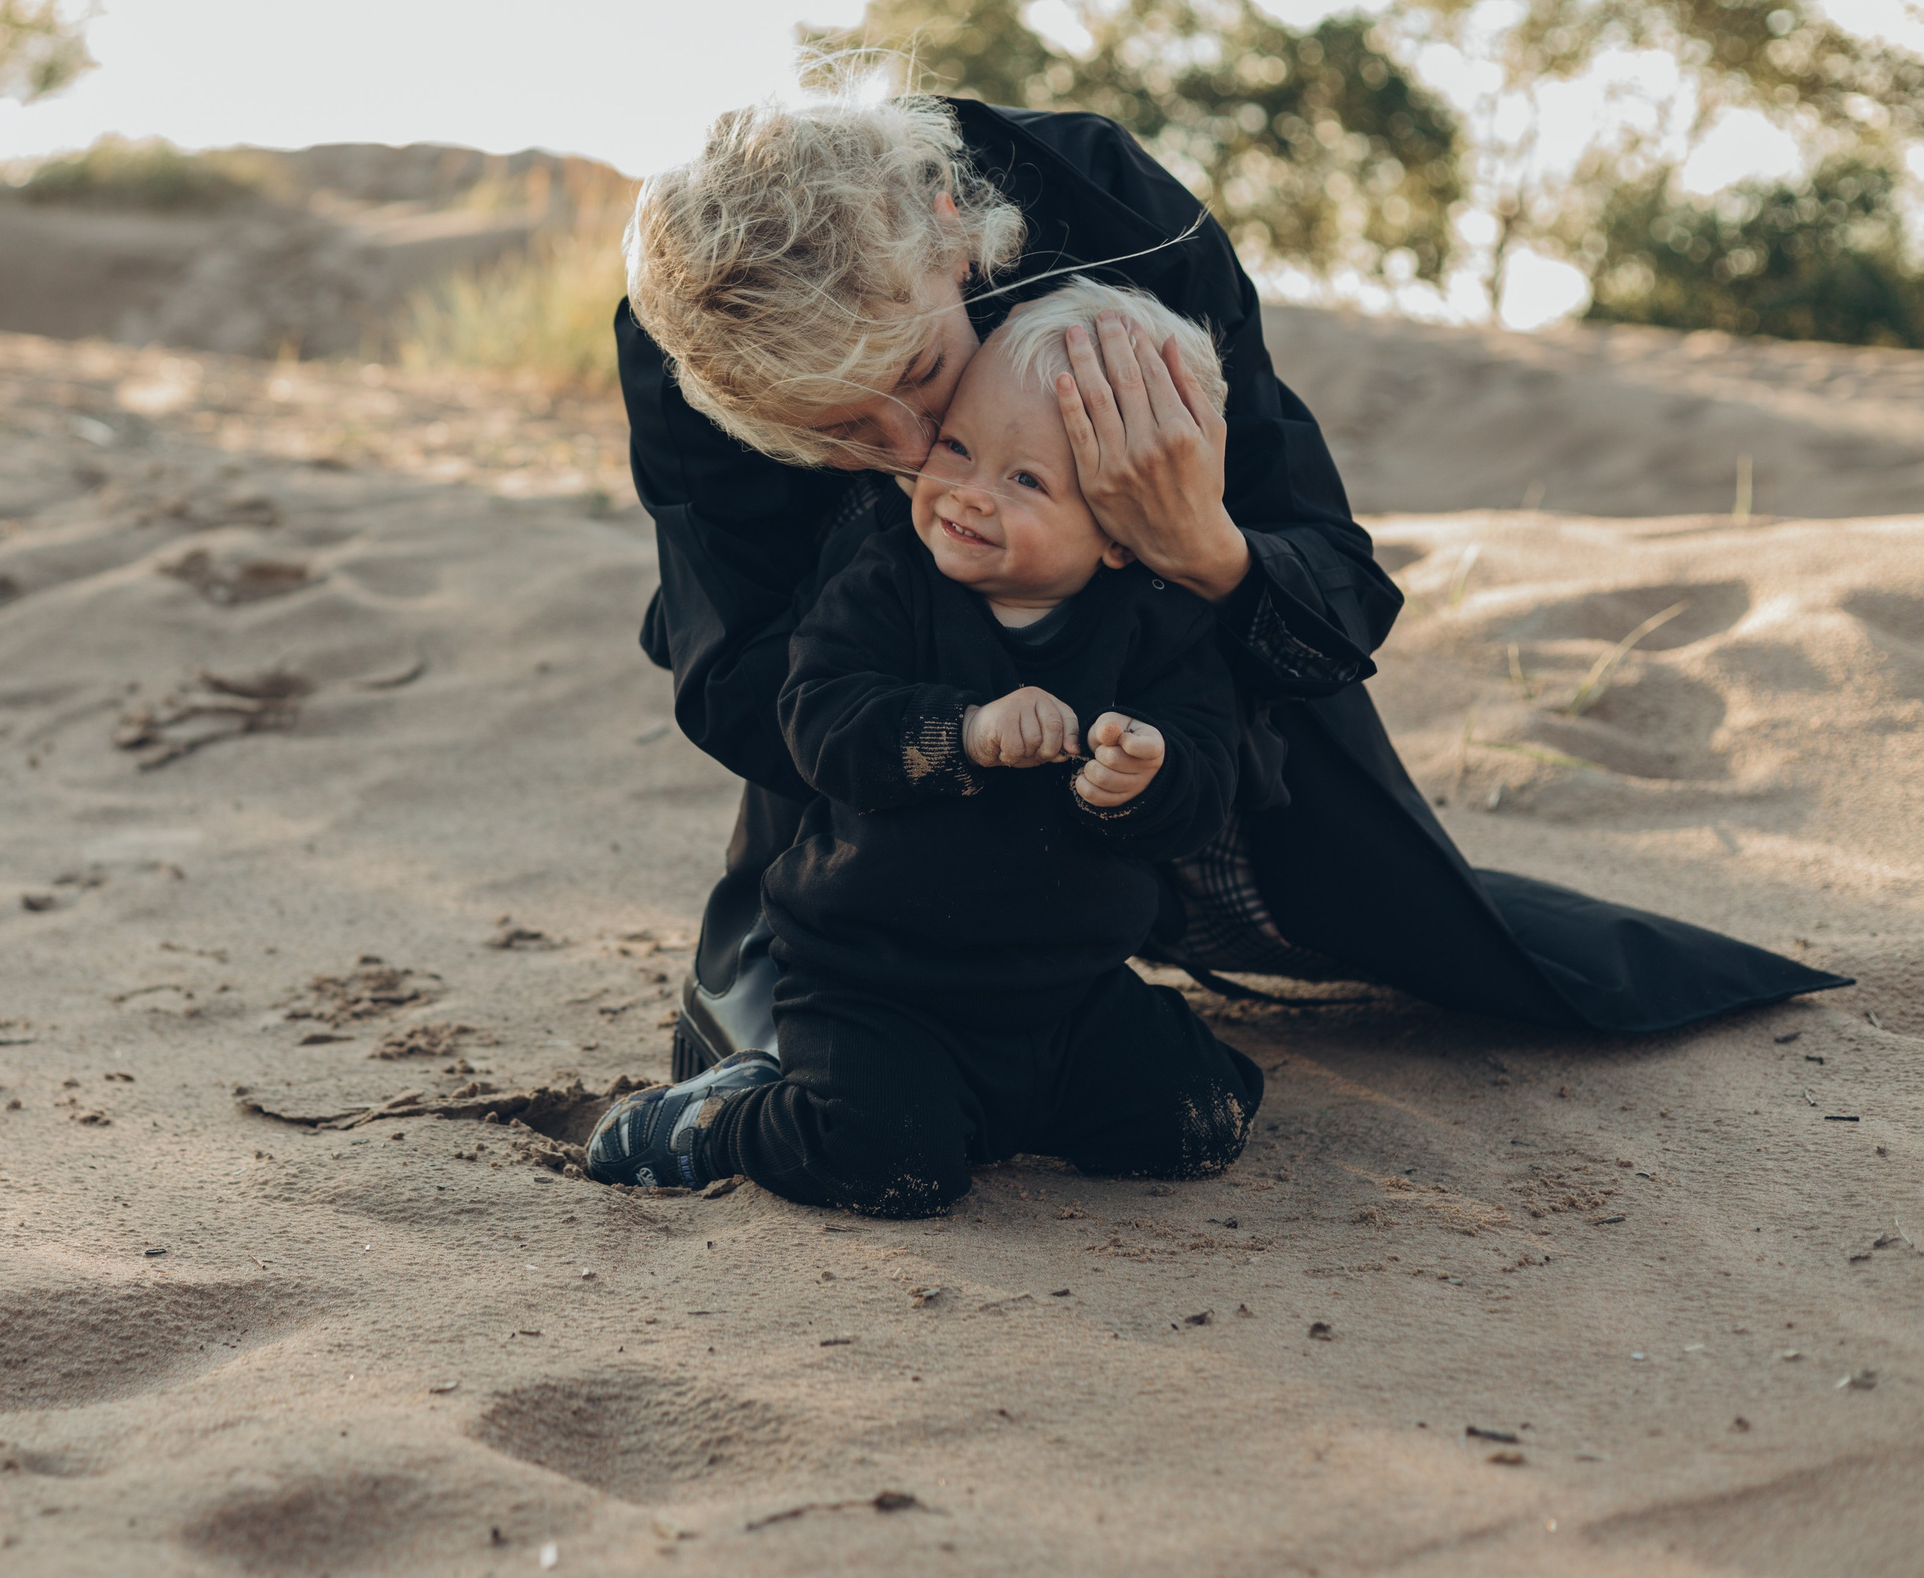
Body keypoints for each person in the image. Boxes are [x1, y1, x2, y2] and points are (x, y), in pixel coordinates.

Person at [618, 92, 1846, 1079]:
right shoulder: (696, 336)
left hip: (1168, 689)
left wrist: (1198, 544)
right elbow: (731, 670)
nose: (902, 449)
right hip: (881, 749)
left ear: (951, 226)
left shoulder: (1112, 212)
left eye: (926, 370)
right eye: (836, 431)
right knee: (787, 1065)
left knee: (1414, 930)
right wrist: (956, 742)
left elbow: (1335, 575)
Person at [588, 282, 1261, 1211]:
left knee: (1205, 1117)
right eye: (958, 447)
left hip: (1068, 990)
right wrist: (964, 734)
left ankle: (1004, 1112)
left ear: (1122, 530)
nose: (967, 494)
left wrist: (1150, 774)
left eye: (1026, 480)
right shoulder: (886, 581)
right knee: (889, 1161)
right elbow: (818, 722)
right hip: (876, 981)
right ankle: (720, 1122)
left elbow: (1205, 784)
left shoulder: (1153, 622)